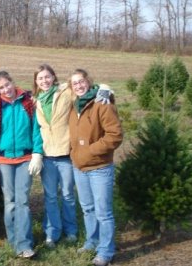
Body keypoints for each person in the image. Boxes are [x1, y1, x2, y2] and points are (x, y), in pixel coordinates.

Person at [0, 71, 43, 259]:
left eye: (7, 85)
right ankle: (14, 239)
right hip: (4, 160)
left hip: (25, 159)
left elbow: (36, 129)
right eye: (1, 88)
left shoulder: (27, 102)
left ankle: (24, 244)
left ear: (12, 82)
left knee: (23, 201)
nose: (6, 89)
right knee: (9, 202)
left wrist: (37, 153)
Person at [68, 69, 123, 266]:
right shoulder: (74, 106)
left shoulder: (102, 103)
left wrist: (90, 151)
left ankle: (106, 251)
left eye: (81, 81)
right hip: (79, 168)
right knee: (88, 209)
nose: (79, 86)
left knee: (103, 212)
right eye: (74, 83)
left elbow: (115, 135)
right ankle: (91, 241)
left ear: (89, 82)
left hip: (100, 167)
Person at [33, 64, 78, 248]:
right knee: (50, 196)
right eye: (40, 78)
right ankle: (52, 232)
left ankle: (71, 230)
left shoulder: (65, 92)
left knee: (68, 194)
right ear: (36, 81)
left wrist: (103, 91)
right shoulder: (35, 101)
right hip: (47, 155)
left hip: (65, 153)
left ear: (53, 77)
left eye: (47, 77)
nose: (44, 81)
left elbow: (85, 88)